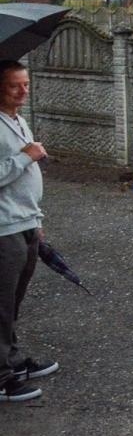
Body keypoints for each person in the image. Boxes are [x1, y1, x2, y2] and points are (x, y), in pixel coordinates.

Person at [1, 61, 54, 404]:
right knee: (1, 303)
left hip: (25, 222)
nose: (23, 91)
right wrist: (25, 157)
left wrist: (36, 219)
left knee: (14, 300)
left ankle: (12, 358)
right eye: (14, 86)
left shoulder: (17, 119)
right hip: (4, 228)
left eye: (26, 84)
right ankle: (2, 376)